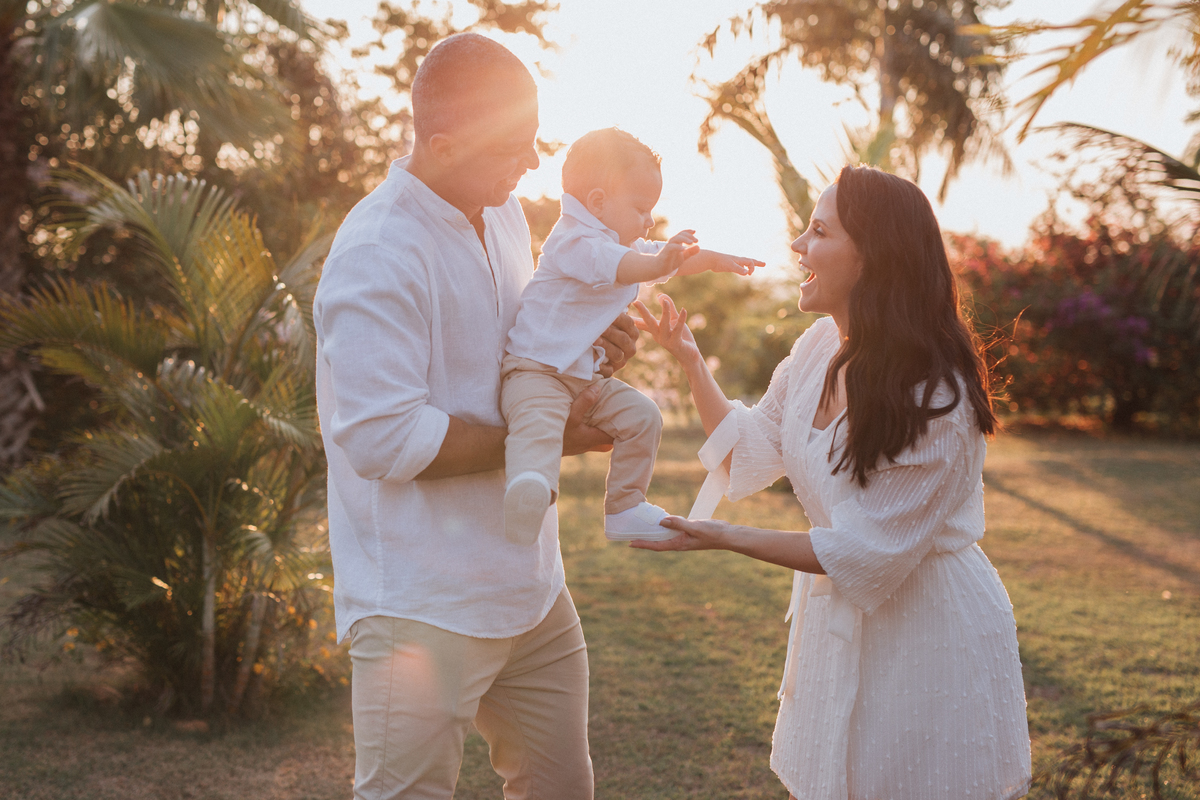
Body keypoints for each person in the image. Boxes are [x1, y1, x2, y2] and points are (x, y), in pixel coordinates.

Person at [633, 165, 1032, 800]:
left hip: (927, 633)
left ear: (874, 257)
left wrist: (722, 536)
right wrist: (689, 360)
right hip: (836, 615)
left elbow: (864, 552)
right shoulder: (820, 346)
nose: (797, 247)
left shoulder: (937, 395)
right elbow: (752, 451)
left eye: (817, 231)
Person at [314, 33, 633, 799]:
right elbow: (385, 440)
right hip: (421, 605)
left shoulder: (505, 216)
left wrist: (584, 339)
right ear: (442, 142)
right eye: (512, 150)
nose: (530, 166)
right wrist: (548, 438)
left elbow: (516, 352)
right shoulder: (376, 252)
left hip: (531, 589)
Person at [502, 127, 763, 545]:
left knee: (643, 417)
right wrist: (661, 262)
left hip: (584, 378)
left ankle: (624, 508)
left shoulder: (616, 243)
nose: (650, 219)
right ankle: (528, 495)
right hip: (536, 371)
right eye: (642, 207)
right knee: (537, 430)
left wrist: (713, 259)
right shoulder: (573, 240)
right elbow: (629, 266)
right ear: (598, 203)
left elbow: (656, 259)